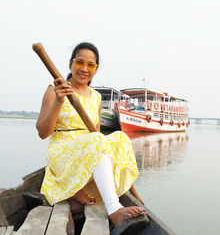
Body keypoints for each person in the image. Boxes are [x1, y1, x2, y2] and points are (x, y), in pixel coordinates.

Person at [36, 42, 146, 226]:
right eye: (80, 62)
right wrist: (59, 100)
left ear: (95, 69)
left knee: (119, 138)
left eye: (91, 65)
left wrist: (98, 143)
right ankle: (113, 208)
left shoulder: (96, 97)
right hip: (62, 150)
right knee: (96, 140)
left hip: (89, 147)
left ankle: (78, 191)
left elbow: (96, 134)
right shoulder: (54, 90)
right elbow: (42, 133)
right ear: (70, 63)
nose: (84, 69)